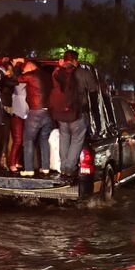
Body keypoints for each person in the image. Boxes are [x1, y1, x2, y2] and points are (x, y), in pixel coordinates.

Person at [50, 50, 95, 180]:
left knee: (64, 137)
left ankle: (63, 167)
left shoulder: (56, 72)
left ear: (64, 60)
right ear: (75, 60)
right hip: (76, 113)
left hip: (60, 113)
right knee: (77, 139)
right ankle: (69, 168)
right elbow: (94, 89)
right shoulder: (82, 72)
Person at [18, 59, 52, 177]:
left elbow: (17, 78)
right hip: (48, 112)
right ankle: (45, 168)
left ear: (30, 66)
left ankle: (29, 169)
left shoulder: (32, 75)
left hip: (36, 112)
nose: (24, 71)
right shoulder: (47, 76)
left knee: (28, 140)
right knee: (44, 140)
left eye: (24, 69)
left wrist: (17, 64)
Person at [8, 57, 28, 173]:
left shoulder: (27, 84)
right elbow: (16, 76)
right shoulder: (17, 84)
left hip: (26, 115)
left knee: (23, 140)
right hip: (17, 115)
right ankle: (12, 163)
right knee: (18, 140)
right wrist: (17, 64)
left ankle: (18, 162)